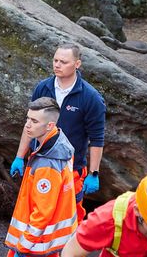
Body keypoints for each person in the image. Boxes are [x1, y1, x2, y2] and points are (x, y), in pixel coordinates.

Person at [0, 98, 79, 257]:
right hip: (53, 243)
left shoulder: (46, 163)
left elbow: (42, 213)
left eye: (34, 121)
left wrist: (23, 245)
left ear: (50, 126)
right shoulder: (59, 146)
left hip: (36, 242)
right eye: (27, 119)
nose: (27, 125)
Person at [11, 43, 106, 223]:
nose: (57, 65)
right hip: (39, 163)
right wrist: (19, 156)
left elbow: (97, 138)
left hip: (71, 168)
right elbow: (30, 123)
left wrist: (94, 173)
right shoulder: (43, 88)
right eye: (55, 60)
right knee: (36, 211)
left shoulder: (90, 97)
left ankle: (71, 251)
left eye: (63, 61)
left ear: (77, 64)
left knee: (69, 217)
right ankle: (29, 249)